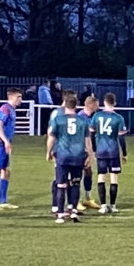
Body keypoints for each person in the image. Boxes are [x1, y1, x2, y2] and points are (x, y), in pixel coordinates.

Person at [47, 91, 95, 224]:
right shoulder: (82, 120)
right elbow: (87, 140)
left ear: (65, 105)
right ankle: (73, 211)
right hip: (78, 155)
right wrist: (90, 155)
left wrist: (48, 152)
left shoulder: (58, 119)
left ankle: (61, 214)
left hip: (63, 155)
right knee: (75, 183)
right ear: (77, 105)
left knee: (61, 184)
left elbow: (51, 137)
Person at [89, 92, 129, 214]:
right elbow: (121, 138)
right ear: (115, 103)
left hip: (101, 150)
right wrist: (124, 153)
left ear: (104, 102)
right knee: (113, 178)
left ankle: (103, 206)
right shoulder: (118, 118)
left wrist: (94, 149)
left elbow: (91, 134)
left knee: (101, 177)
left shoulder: (96, 116)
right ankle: (112, 205)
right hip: (113, 151)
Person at [0, 88, 22, 209]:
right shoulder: (5, 109)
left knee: (6, 171)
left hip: (4, 144)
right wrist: (6, 141)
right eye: (18, 97)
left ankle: (3, 200)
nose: (20, 99)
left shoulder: (12, 110)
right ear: (11, 97)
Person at [75, 96, 102, 211]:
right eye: (96, 105)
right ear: (90, 105)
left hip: (88, 149)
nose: (98, 107)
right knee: (77, 175)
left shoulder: (93, 117)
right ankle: (76, 201)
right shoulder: (80, 117)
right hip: (79, 150)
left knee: (88, 172)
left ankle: (87, 198)